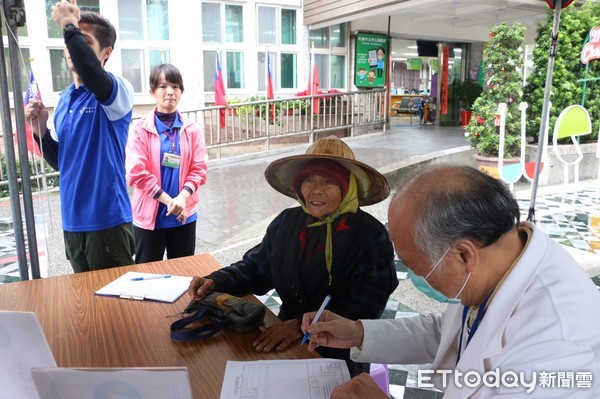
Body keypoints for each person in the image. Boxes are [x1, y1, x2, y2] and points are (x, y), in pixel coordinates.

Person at [302, 164, 600, 398]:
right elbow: (450, 332)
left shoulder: (558, 350)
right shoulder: (500, 264)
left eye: (416, 264)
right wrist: (357, 332)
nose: (416, 275)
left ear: (463, 255)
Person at [187, 135, 399, 376]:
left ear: (347, 188)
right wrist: (217, 280)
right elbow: (256, 267)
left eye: (329, 181)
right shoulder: (287, 223)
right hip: (283, 339)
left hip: (340, 353)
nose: (316, 189)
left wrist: (301, 326)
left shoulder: (370, 235)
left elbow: (366, 305)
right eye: (309, 179)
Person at [24, 1, 135, 272]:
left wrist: (69, 26)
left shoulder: (116, 91)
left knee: (115, 308)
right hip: (72, 223)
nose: (74, 49)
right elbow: (62, 162)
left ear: (106, 52)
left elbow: (93, 74)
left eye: (85, 42)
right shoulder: (63, 100)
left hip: (107, 222)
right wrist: (41, 131)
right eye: (72, 42)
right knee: (85, 306)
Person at [126, 64, 208, 263]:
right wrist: (171, 202)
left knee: (183, 274)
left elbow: (199, 168)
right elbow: (137, 173)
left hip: (184, 215)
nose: (170, 92)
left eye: (175, 86)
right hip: (149, 218)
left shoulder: (192, 129)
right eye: (163, 86)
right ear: (152, 91)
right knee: (146, 276)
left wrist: (182, 198)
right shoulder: (139, 130)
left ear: (181, 91)